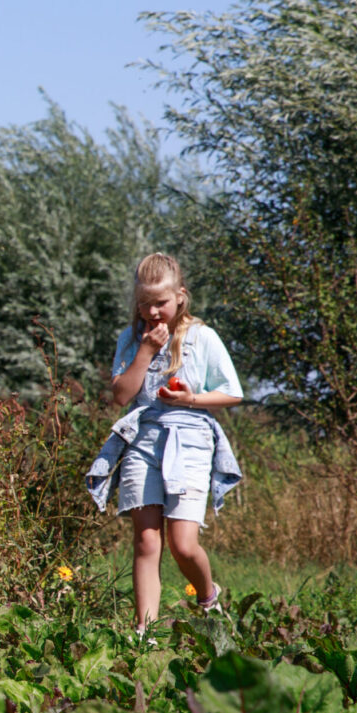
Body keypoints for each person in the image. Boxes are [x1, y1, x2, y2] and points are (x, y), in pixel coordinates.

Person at [86, 253, 244, 640]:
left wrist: (191, 398)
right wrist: (143, 352)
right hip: (142, 439)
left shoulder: (202, 337)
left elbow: (232, 393)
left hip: (189, 440)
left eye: (162, 303)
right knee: (146, 538)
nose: (154, 312)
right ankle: (145, 630)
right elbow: (121, 396)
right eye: (145, 304)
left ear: (181, 297)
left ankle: (208, 597)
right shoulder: (131, 338)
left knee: (183, 543)